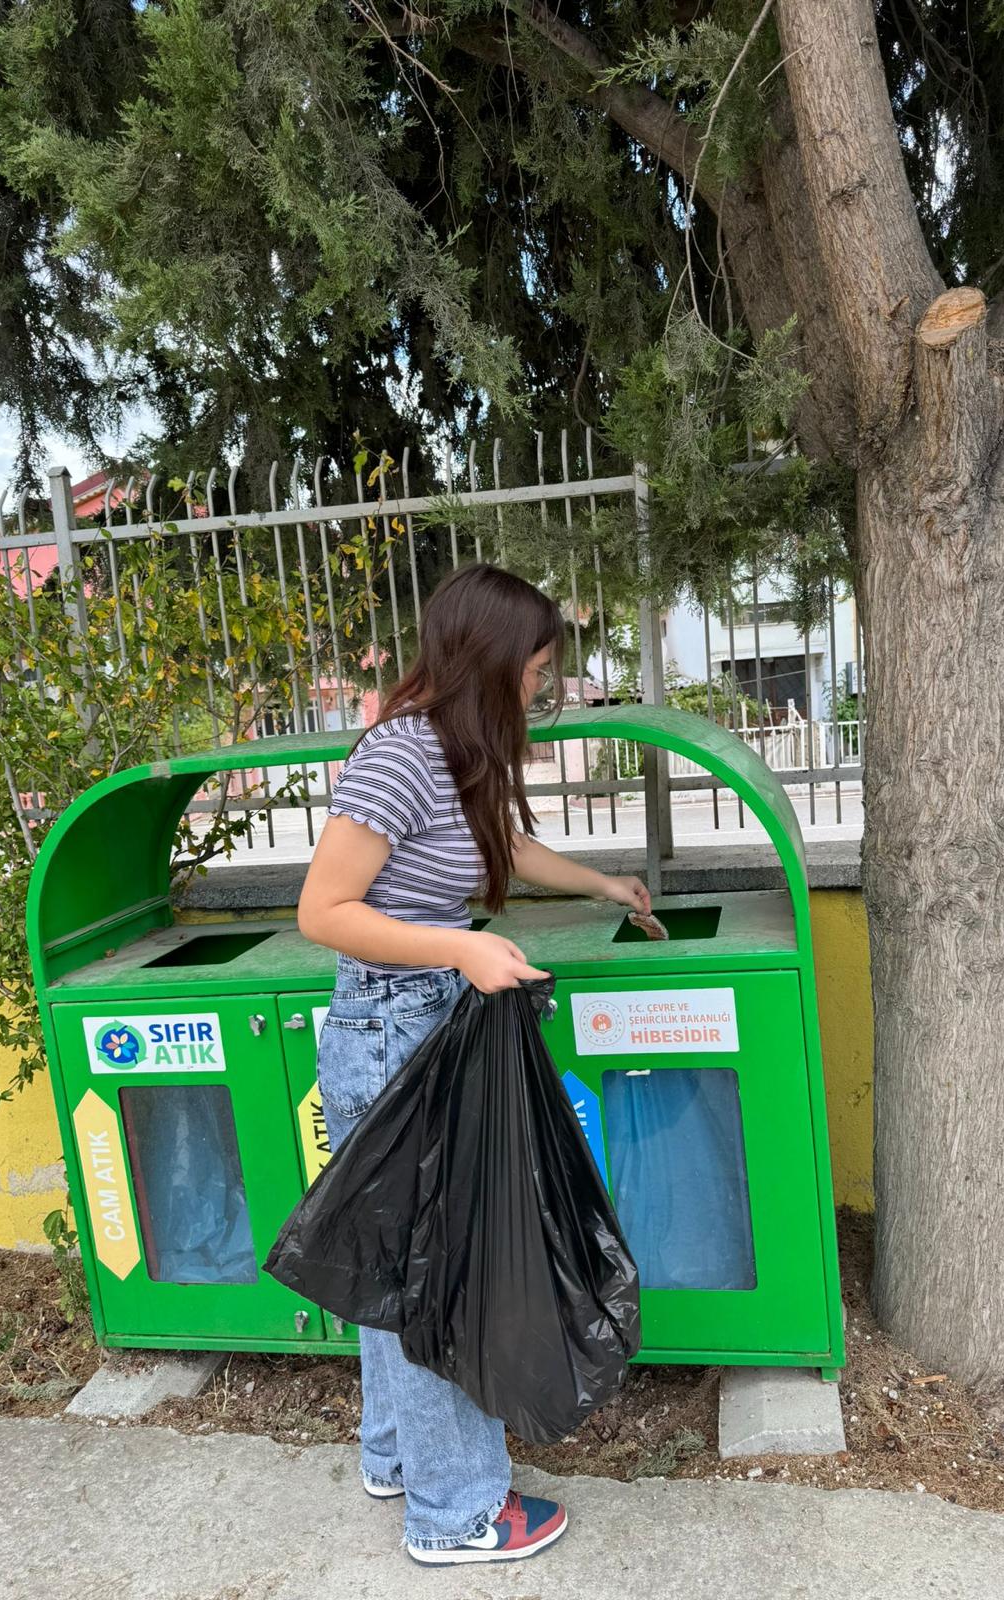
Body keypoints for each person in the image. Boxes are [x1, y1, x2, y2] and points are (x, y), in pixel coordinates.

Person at [297, 563, 651, 1567]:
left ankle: (398, 1456)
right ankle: (456, 1513)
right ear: (492, 662)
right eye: (536, 666)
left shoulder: (461, 751)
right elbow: (323, 911)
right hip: (391, 1028)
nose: (542, 683)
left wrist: (602, 884)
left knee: (392, 1256)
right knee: (435, 1274)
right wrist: (460, 947)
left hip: (427, 1021)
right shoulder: (400, 755)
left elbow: (507, 846)